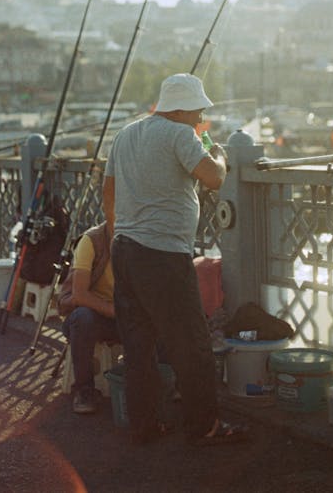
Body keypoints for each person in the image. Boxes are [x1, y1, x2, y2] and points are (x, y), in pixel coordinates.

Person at [103, 72, 248, 445]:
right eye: (198, 111)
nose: (201, 119)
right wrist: (218, 154)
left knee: (138, 346)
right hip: (163, 256)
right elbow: (212, 177)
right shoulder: (180, 135)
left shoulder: (125, 135)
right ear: (182, 109)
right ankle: (205, 427)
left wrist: (123, 232)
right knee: (191, 343)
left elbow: (108, 192)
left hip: (125, 249)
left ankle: (145, 426)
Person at [58, 220, 119, 414]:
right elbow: (79, 295)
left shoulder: (141, 237)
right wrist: (114, 311)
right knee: (83, 318)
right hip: (87, 314)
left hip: (123, 314)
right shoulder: (92, 240)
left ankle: (168, 382)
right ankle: (84, 390)